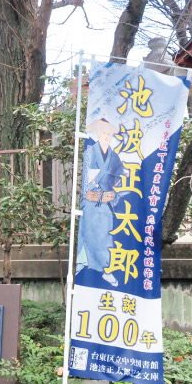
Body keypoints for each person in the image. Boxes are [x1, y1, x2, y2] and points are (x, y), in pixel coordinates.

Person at [76, 118, 126, 288]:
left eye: (109, 133)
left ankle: (106, 269)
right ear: (98, 133)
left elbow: (120, 174)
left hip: (106, 203)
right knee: (87, 233)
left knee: (105, 236)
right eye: (103, 133)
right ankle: (82, 264)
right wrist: (89, 193)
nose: (106, 136)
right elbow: (87, 180)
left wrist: (115, 183)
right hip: (91, 201)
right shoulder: (90, 152)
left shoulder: (114, 156)